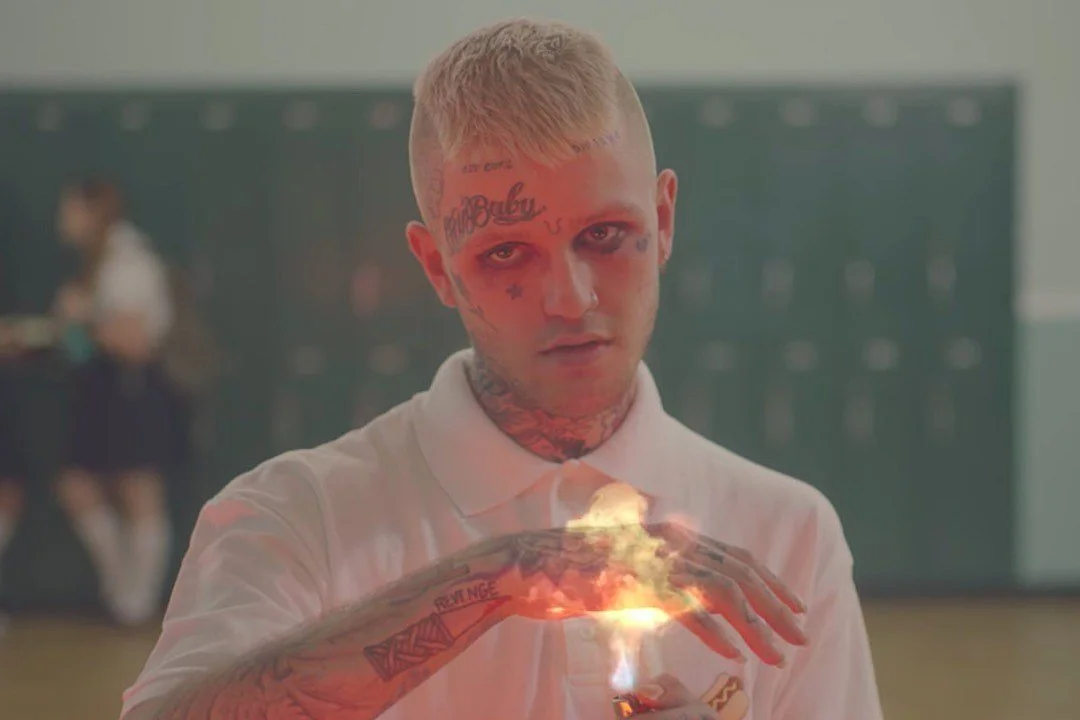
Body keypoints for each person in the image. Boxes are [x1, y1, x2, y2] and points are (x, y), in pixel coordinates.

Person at [120, 18, 882, 720]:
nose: (570, 298)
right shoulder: (297, 517)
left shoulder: (787, 535)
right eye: (507, 252)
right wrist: (504, 575)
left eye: (605, 234)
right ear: (438, 267)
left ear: (663, 220)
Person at [52, 179, 177, 627]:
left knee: (139, 490)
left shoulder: (129, 261)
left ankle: (137, 602)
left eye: (70, 209)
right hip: (100, 389)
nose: (62, 220)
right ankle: (124, 590)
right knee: (78, 485)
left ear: (92, 211)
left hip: (130, 388)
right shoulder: (96, 262)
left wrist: (81, 316)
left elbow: (134, 341)